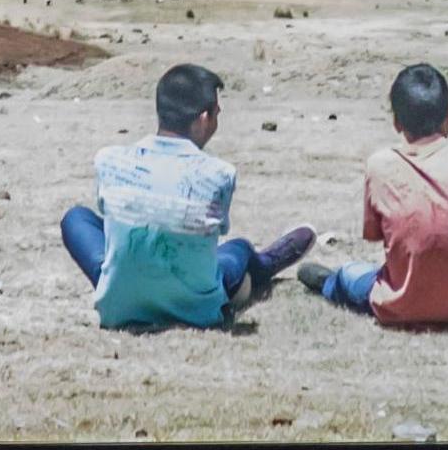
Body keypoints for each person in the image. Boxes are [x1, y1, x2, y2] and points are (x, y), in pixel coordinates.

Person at [59, 63, 312, 328]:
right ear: (204, 118)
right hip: (195, 309)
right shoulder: (219, 174)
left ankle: (118, 280)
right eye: (216, 114)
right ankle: (264, 265)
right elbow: (214, 234)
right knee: (238, 249)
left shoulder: (109, 159)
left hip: (120, 307)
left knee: (76, 218)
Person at [295, 62, 448, 326]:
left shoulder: (382, 165)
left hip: (404, 306)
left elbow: (376, 235)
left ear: (396, 122)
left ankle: (329, 283)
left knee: (351, 274)